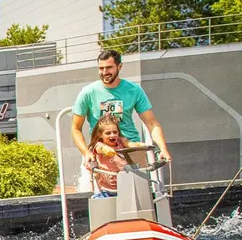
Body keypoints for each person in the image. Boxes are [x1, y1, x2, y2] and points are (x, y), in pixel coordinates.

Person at [71, 49, 171, 177]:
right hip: (103, 151)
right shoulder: (88, 92)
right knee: (107, 193)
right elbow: (75, 128)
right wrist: (86, 152)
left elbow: (151, 123)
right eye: (101, 68)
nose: (104, 72)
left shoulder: (134, 90)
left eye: (109, 68)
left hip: (130, 148)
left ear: (119, 66)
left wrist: (163, 149)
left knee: (140, 190)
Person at [88, 114, 142, 197]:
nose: (112, 135)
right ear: (100, 134)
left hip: (123, 186)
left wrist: (139, 145)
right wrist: (107, 150)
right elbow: (100, 148)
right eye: (108, 133)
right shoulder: (99, 145)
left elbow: (129, 144)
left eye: (115, 132)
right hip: (106, 190)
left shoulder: (120, 141)